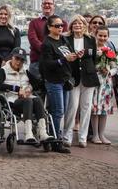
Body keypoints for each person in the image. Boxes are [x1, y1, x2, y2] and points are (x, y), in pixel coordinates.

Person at [0, 47, 51, 143]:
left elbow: (37, 83)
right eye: (17, 59)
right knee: (29, 100)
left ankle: (43, 132)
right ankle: (28, 133)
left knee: (37, 99)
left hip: (27, 98)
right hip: (12, 100)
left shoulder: (25, 71)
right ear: (12, 57)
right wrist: (17, 89)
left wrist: (29, 88)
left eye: (22, 60)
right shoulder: (3, 70)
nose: (19, 62)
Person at [62, 15, 100, 148]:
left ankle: (82, 137)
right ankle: (67, 136)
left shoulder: (90, 39)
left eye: (80, 23)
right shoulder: (65, 39)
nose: (78, 25)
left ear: (85, 25)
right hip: (73, 77)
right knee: (72, 107)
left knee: (86, 107)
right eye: (75, 23)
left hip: (88, 77)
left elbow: (94, 58)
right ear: (71, 26)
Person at [39, 14, 75, 154]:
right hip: (53, 80)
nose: (60, 28)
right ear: (49, 27)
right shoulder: (47, 43)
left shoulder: (64, 39)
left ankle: (52, 136)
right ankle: (55, 139)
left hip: (65, 79)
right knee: (58, 111)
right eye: (57, 26)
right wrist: (63, 60)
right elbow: (47, 64)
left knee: (61, 111)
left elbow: (69, 55)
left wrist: (75, 55)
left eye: (61, 25)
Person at [27, 0, 68, 80]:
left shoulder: (63, 23)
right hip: (37, 63)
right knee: (37, 91)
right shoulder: (34, 23)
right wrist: (47, 51)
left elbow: (64, 42)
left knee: (54, 91)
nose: (47, 5)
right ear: (41, 5)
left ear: (54, 6)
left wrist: (52, 54)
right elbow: (33, 40)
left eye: (49, 3)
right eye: (44, 3)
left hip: (57, 63)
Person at [90, 25, 118, 145]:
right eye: (100, 35)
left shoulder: (109, 51)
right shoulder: (92, 49)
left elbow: (115, 67)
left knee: (104, 110)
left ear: (108, 37)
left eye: (105, 36)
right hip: (94, 82)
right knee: (95, 109)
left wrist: (110, 72)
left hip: (106, 83)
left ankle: (102, 134)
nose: (102, 38)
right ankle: (95, 134)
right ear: (95, 35)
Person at [0, 5, 21, 72]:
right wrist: (2, 59)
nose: (3, 16)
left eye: (6, 14)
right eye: (1, 14)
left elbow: (16, 48)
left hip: (12, 64)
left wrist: (6, 60)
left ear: (9, 16)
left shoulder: (15, 31)